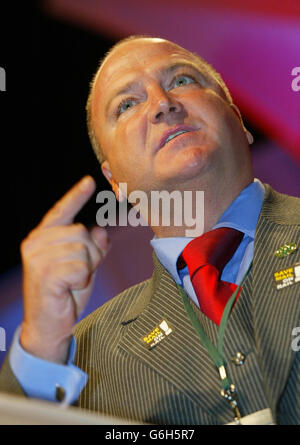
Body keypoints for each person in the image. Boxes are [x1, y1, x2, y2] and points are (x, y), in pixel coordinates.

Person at [0, 35, 299, 425]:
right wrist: (40, 351)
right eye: (127, 105)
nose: (162, 104)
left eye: (181, 81)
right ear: (115, 180)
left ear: (239, 122)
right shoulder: (80, 359)